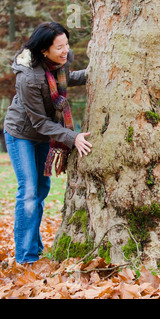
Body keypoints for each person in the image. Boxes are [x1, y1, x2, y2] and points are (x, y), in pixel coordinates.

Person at [3, 22, 92, 265]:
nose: (66, 51)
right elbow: (39, 121)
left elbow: (62, 80)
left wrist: (90, 74)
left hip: (43, 136)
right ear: (44, 50)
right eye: (59, 47)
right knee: (29, 192)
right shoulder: (28, 78)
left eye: (67, 45)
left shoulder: (62, 60)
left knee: (41, 191)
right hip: (21, 134)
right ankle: (25, 258)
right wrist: (72, 136)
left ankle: (34, 245)